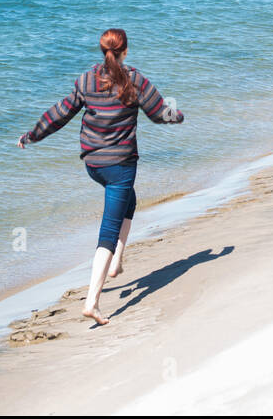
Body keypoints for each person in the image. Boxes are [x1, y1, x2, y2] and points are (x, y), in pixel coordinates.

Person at [18, 28, 184, 325]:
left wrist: (31, 136)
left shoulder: (86, 80)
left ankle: (116, 262)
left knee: (128, 201)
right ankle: (92, 302)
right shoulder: (134, 80)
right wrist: (178, 114)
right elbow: (160, 113)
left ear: (102, 50)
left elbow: (59, 114)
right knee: (107, 232)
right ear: (126, 50)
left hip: (93, 165)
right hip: (120, 165)